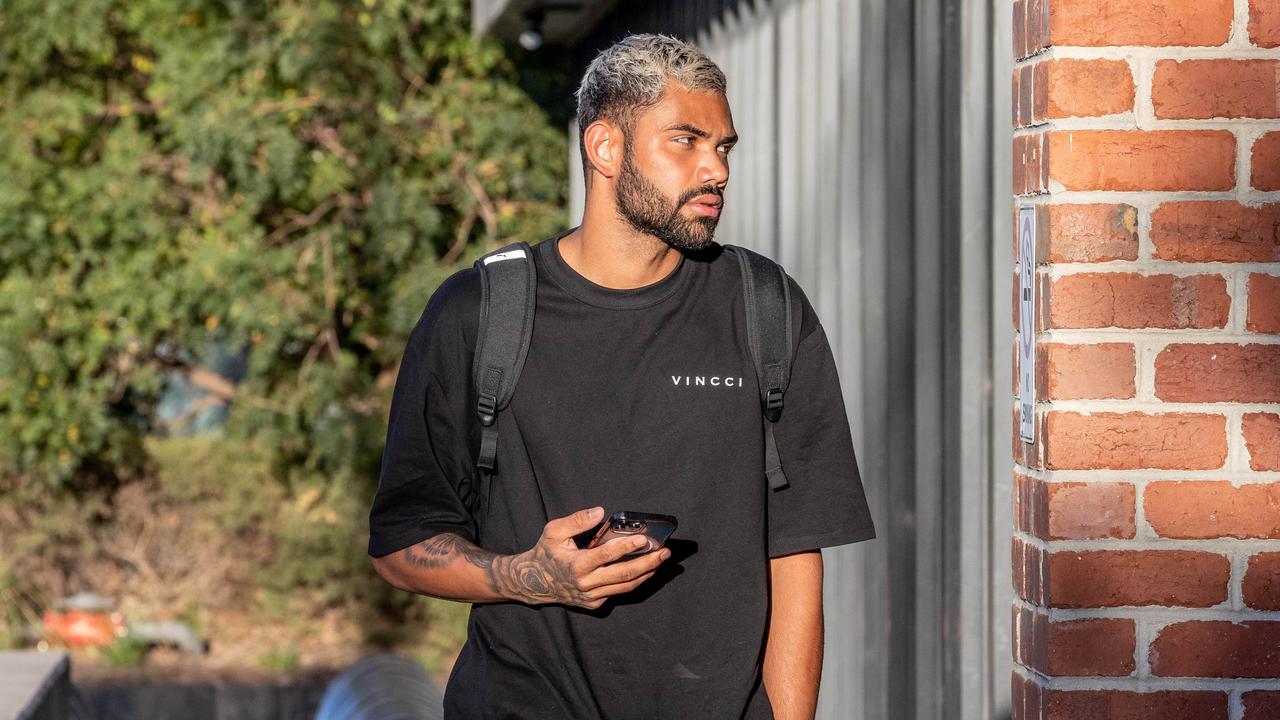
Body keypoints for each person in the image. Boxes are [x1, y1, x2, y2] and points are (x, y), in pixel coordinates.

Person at [368, 33, 874, 720]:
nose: (716, 170)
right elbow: (402, 545)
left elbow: (795, 556)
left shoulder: (766, 309)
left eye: (723, 147)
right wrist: (532, 579)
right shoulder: (479, 313)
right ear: (605, 148)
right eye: (686, 141)